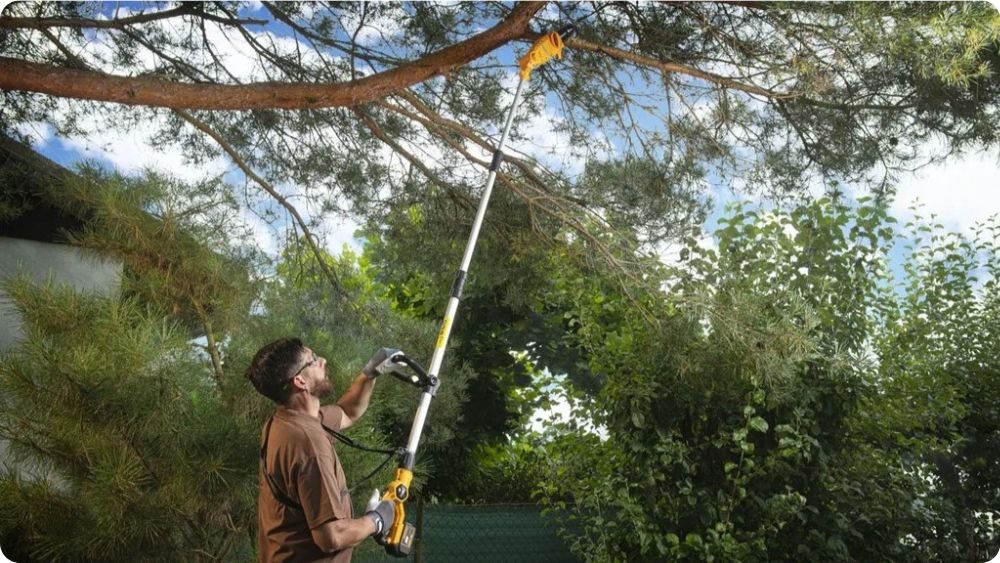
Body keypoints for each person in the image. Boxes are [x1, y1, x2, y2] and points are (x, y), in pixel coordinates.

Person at [245, 337, 398, 562]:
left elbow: (347, 412)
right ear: (300, 381)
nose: (323, 361)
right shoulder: (307, 444)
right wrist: (376, 520)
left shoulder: (285, 422)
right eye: (313, 360)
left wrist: (369, 374)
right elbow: (330, 537)